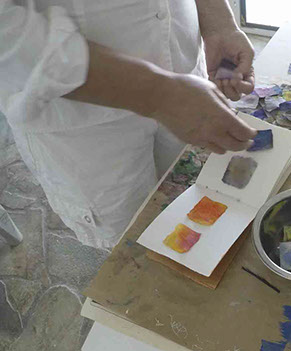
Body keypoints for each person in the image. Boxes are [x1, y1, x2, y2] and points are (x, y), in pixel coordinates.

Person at [0, 0, 257, 248]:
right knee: (138, 240)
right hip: (86, 124)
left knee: (194, 201)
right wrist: (160, 95)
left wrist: (218, 22)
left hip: (186, 77)